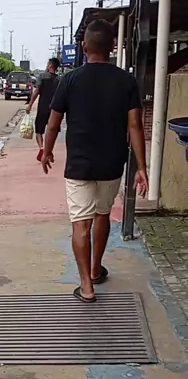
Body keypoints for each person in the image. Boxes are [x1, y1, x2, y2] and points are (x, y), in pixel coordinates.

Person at [42, 19, 149, 303]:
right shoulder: (126, 81)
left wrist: (47, 151)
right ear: (113, 46)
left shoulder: (69, 79)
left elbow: (53, 123)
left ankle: (86, 286)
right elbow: (135, 126)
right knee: (103, 215)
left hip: (79, 165)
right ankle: (95, 268)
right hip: (112, 164)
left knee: (81, 224)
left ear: (84, 46)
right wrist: (142, 167)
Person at [26, 58, 60, 162]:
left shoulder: (42, 77)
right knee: (52, 130)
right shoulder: (59, 79)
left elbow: (36, 92)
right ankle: (49, 150)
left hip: (42, 108)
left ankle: (41, 148)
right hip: (54, 110)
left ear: (50, 65)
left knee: (39, 131)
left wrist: (30, 105)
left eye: (47, 64)